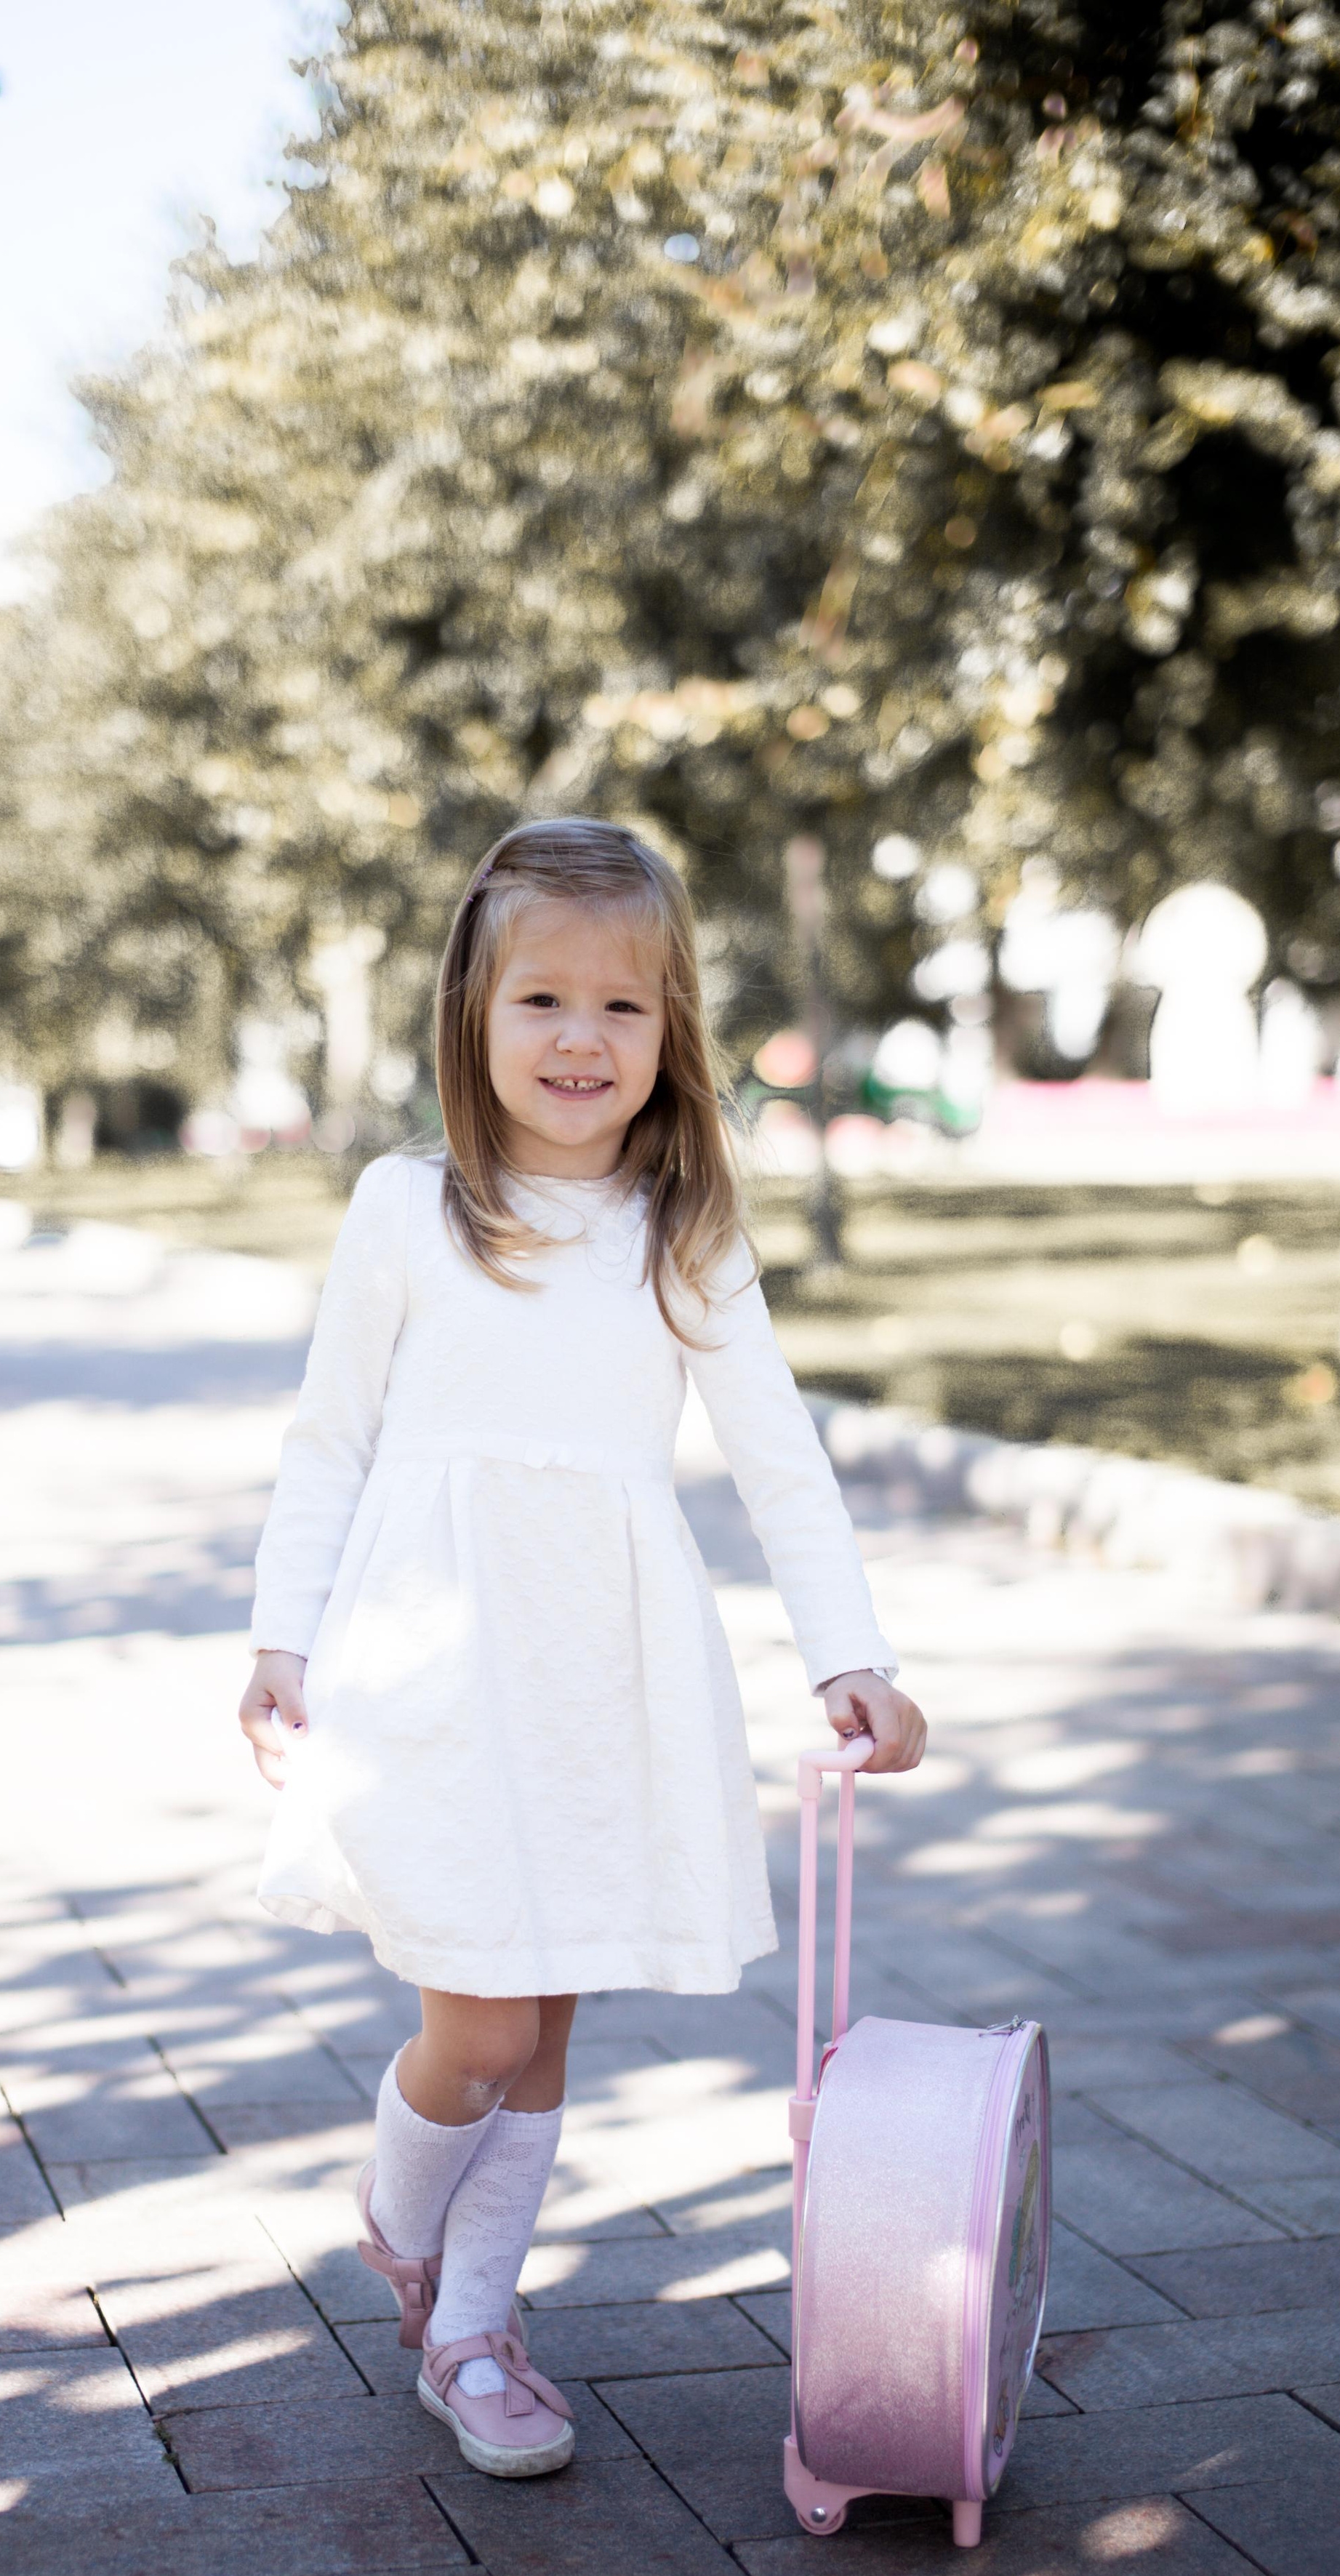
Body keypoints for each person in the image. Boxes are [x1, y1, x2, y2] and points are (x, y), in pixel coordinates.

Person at [239, 817, 925, 2479]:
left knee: (543, 2036)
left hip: (601, 1671)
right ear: (474, 1013)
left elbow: (775, 1455)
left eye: (621, 1010)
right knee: (472, 2028)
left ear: (669, 1031)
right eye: (540, 999)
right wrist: (282, 1637)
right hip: (432, 1666)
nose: (577, 1040)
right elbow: (329, 1439)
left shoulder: (679, 1227)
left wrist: (849, 1652)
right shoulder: (409, 1210)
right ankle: (399, 2229)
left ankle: (472, 2336)